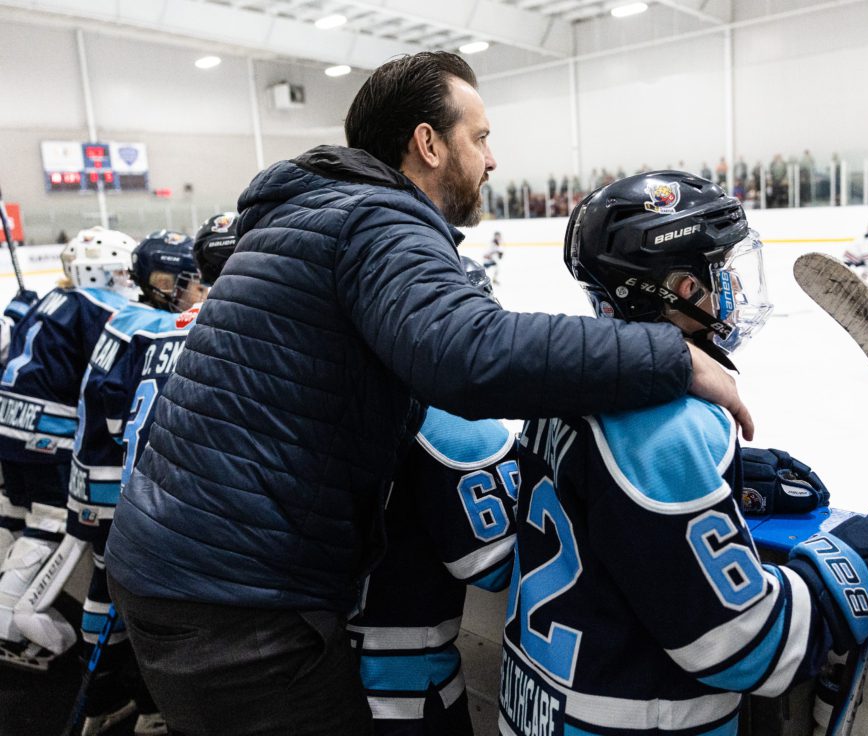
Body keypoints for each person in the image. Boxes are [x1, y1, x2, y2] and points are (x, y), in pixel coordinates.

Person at [105, 51, 751, 735]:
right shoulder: (375, 219)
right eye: (480, 137)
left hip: (182, 573)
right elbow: (468, 355)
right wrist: (668, 356)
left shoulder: (316, 215)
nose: (492, 159)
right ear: (428, 143)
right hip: (232, 602)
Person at [500, 171, 868, 736]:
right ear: (682, 289)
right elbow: (740, 643)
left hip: (537, 713)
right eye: (720, 271)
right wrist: (858, 571)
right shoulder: (673, 425)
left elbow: (605, 513)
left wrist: (714, 486)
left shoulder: (560, 387)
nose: (732, 286)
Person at [350, 257, 518, 736]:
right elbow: (496, 565)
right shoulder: (457, 433)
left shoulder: (337, 395)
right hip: (403, 688)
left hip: (310, 664)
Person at [66, 229, 201, 735]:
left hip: (93, 474)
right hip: (120, 487)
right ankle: (144, 702)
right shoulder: (158, 328)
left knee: (108, 591)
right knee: (130, 601)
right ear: (162, 281)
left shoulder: (126, 317)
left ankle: (104, 696)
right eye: (186, 280)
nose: (195, 289)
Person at [0, 227, 134, 673]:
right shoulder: (102, 307)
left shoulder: (48, 299)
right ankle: (10, 626)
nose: (127, 277)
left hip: (10, 426)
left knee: (19, 520)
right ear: (103, 272)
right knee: (51, 524)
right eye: (120, 269)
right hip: (47, 434)